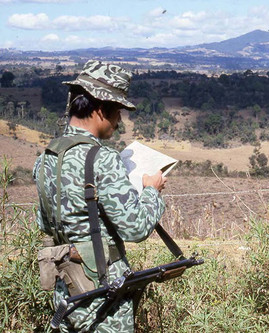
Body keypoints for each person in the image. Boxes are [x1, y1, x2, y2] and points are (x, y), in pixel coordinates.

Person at [33, 60, 167, 332]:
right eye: (118, 112)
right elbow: (136, 228)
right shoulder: (102, 158)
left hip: (66, 287)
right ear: (100, 110)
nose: (119, 122)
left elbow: (46, 224)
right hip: (104, 292)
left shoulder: (46, 158)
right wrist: (152, 191)